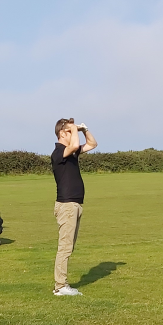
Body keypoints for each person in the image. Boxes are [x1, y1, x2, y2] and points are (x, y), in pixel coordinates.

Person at [51, 118, 97, 295]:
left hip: (75, 204)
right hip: (67, 205)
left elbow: (92, 144)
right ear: (62, 133)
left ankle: (61, 285)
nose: (73, 134)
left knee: (68, 247)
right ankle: (60, 286)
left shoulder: (72, 152)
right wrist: (72, 127)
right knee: (65, 247)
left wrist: (84, 130)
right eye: (70, 131)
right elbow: (75, 145)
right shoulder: (58, 152)